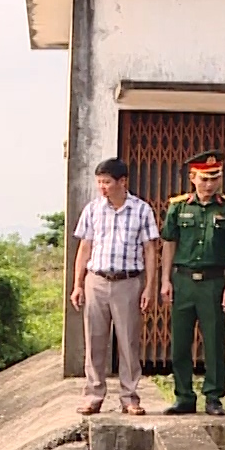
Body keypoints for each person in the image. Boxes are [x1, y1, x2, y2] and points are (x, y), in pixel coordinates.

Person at [159, 149, 225, 417]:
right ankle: (184, 396)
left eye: (215, 178)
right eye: (204, 178)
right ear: (192, 178)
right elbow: (169, 243)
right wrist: (165, 279)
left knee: (214, 341)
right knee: (180, 342)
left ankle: (214, 396)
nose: (209, 184)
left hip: (213, 281)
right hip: (183, 280)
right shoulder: (178, 207)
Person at [70, 157, 160, 416]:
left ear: (122, 182)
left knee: (128, 341)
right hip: (96, 280)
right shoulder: (92, 209)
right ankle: (93, 395)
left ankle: (129, 397)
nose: (103, 187)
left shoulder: (142, 210)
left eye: (107, 182)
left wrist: (149, 287)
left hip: (128, 282)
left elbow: (150, 250)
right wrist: (78, 284)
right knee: (94, 339)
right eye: (99, 182)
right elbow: (84, 247)